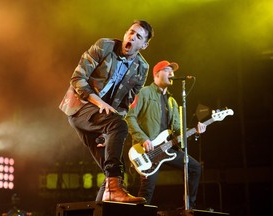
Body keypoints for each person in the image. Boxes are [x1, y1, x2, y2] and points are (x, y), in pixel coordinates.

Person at [59, 20, 154, 204]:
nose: (132, 37)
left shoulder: (142, 69)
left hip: (104, 119)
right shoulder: (105, 45)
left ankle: (107, 198)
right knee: (119, 125)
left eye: (138, 37)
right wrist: (99, 103)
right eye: (131, 32)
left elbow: (125, 104)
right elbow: (77, 78)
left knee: (115, 168)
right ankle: (113, 190)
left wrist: (106, 132)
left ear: (144, 45)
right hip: (80, 106)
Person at [125, 60, 206, 208]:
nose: (172, 74)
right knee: (146, 192)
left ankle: (189, 206)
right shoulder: (144, 93)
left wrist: (195, 130)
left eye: (173, 71)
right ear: (156, 74)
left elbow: (177, 130)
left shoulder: (173, 101)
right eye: (167, 70)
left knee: (195, 168)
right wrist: (144, 139)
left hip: (169, 147)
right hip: (148, 151)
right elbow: (129, 116)